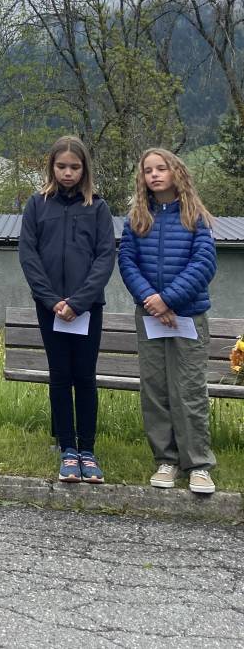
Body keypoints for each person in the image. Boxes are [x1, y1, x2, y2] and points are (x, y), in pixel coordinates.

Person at [118, 148, 218, 495]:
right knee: (156, 389)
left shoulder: (196, 217)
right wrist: (153, 301)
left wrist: (169, 299)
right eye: (148, 170)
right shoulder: (137, 219)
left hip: (188, 317)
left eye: (162, 168)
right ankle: (166, 460)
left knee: (188, 391)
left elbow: (204, 264)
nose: (155, 175)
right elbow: (127, 262)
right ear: (142, 178)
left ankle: (198, 465)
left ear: (176, 172)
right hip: (150, 316)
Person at [18, 135, 115, 484]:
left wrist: (78, 302)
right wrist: (52, 300)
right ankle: (67, 449)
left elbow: (105, 257)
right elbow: (28, 255)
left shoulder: (98, 208)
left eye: (75, 167)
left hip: (87, 308)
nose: (68, 172)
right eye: (62, 166)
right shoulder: (36, 205)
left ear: (84, 168)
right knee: (59, 376)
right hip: (51, 309)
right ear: (52, 167)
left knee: (84, 376)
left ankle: (87, 450)